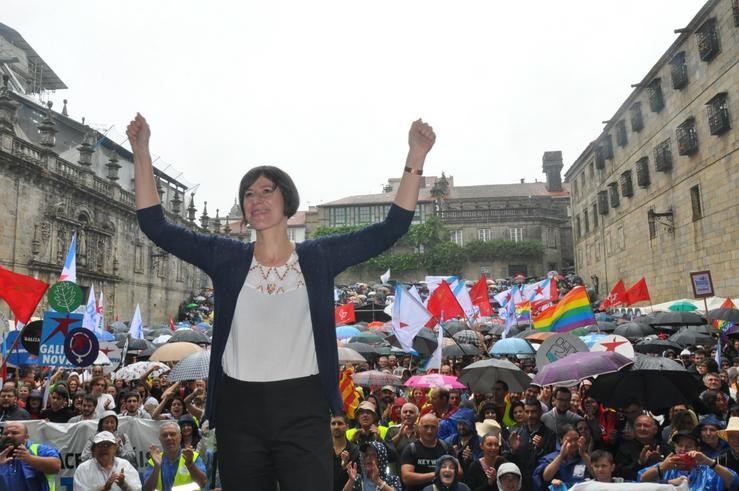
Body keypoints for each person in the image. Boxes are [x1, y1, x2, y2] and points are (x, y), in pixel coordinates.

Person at [128, 113, 436, 490]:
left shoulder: (319, 256)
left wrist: (416, 156)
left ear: (287, 200)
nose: (256, 199)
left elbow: (391, 228)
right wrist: (141, 152)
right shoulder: (225, 257)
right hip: (239, 411)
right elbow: (155, 225)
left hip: (303, 407)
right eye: (249, 194)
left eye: (266, 190)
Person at [638, 429, 739, 490]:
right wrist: (666, 478)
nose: (683, 450)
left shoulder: (707, 469)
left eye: (688, 446)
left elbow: (734, 481)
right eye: (680, 445)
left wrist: (709, 462)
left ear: (697, 449)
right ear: (675, 448)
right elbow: (641, 480)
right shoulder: (666, 465)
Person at [143, 421, 207, 491]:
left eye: (172, 434)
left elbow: (203, 483)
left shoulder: (192, 457)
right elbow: (147, 489)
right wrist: (157, 467)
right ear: (160, 439)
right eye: (164, 435)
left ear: (180, 437)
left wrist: (190, 465)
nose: (169, 438)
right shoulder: (154, 461)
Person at [0, 421, 61, 491]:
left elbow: (56, 466)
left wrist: (30, 459)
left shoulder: (38, 449)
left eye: (14, 433)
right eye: (5, 433)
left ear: (26, 437)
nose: (9, 436)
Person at [401, 413, 456, 491]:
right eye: (426, 427)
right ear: (419, 428)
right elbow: (406, 478)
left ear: (438, 429)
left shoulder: (446, 447)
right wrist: (437, 474)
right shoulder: (411, 449)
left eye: (433, 427)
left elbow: (458, 472)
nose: (429, 431)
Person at [73, 431, 141, 491]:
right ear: (93, 449)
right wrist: (104, 488)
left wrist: (123, 485)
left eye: (107, 445)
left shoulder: (125, 465)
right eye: (100, 445)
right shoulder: (83, 469)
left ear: (115, 449)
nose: (104, 449)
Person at [533, 426, 593, 490]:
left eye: (576, 439)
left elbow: (596, 475)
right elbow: (546, 477)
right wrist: (561, 456)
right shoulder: (551, 458)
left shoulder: (584, 457)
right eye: (569, 440)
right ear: (561, 440)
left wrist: (583, 454)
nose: (573, 443)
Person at [332, 414, 359, 491]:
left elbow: (358, 481)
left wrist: (345, 467)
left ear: (347, 426)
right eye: (333, 423)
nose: (336, 426)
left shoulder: (354, 450)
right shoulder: (323, 449)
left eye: (340, 423)